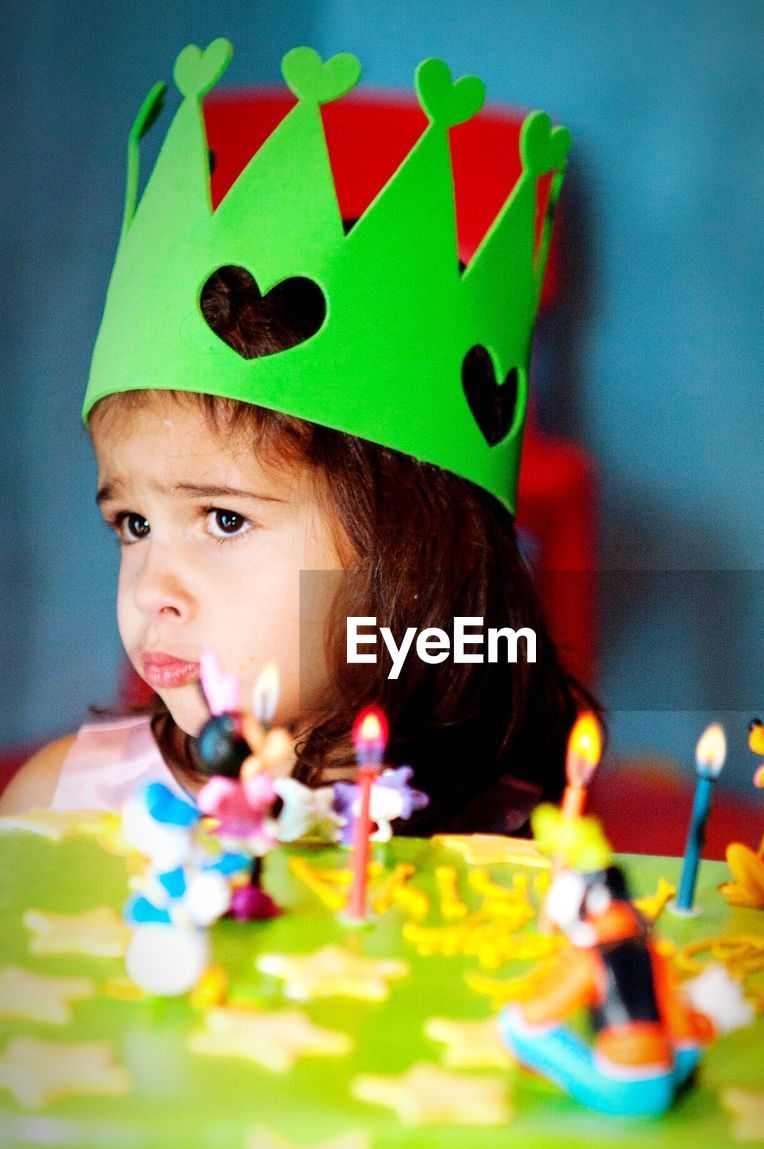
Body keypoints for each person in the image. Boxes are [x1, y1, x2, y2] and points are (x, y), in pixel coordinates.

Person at [0, 39, 602, 834]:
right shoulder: (60, 809)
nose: (151, 591)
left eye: (223, 519)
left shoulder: (507, 861)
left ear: (410, 559)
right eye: (133, 525)